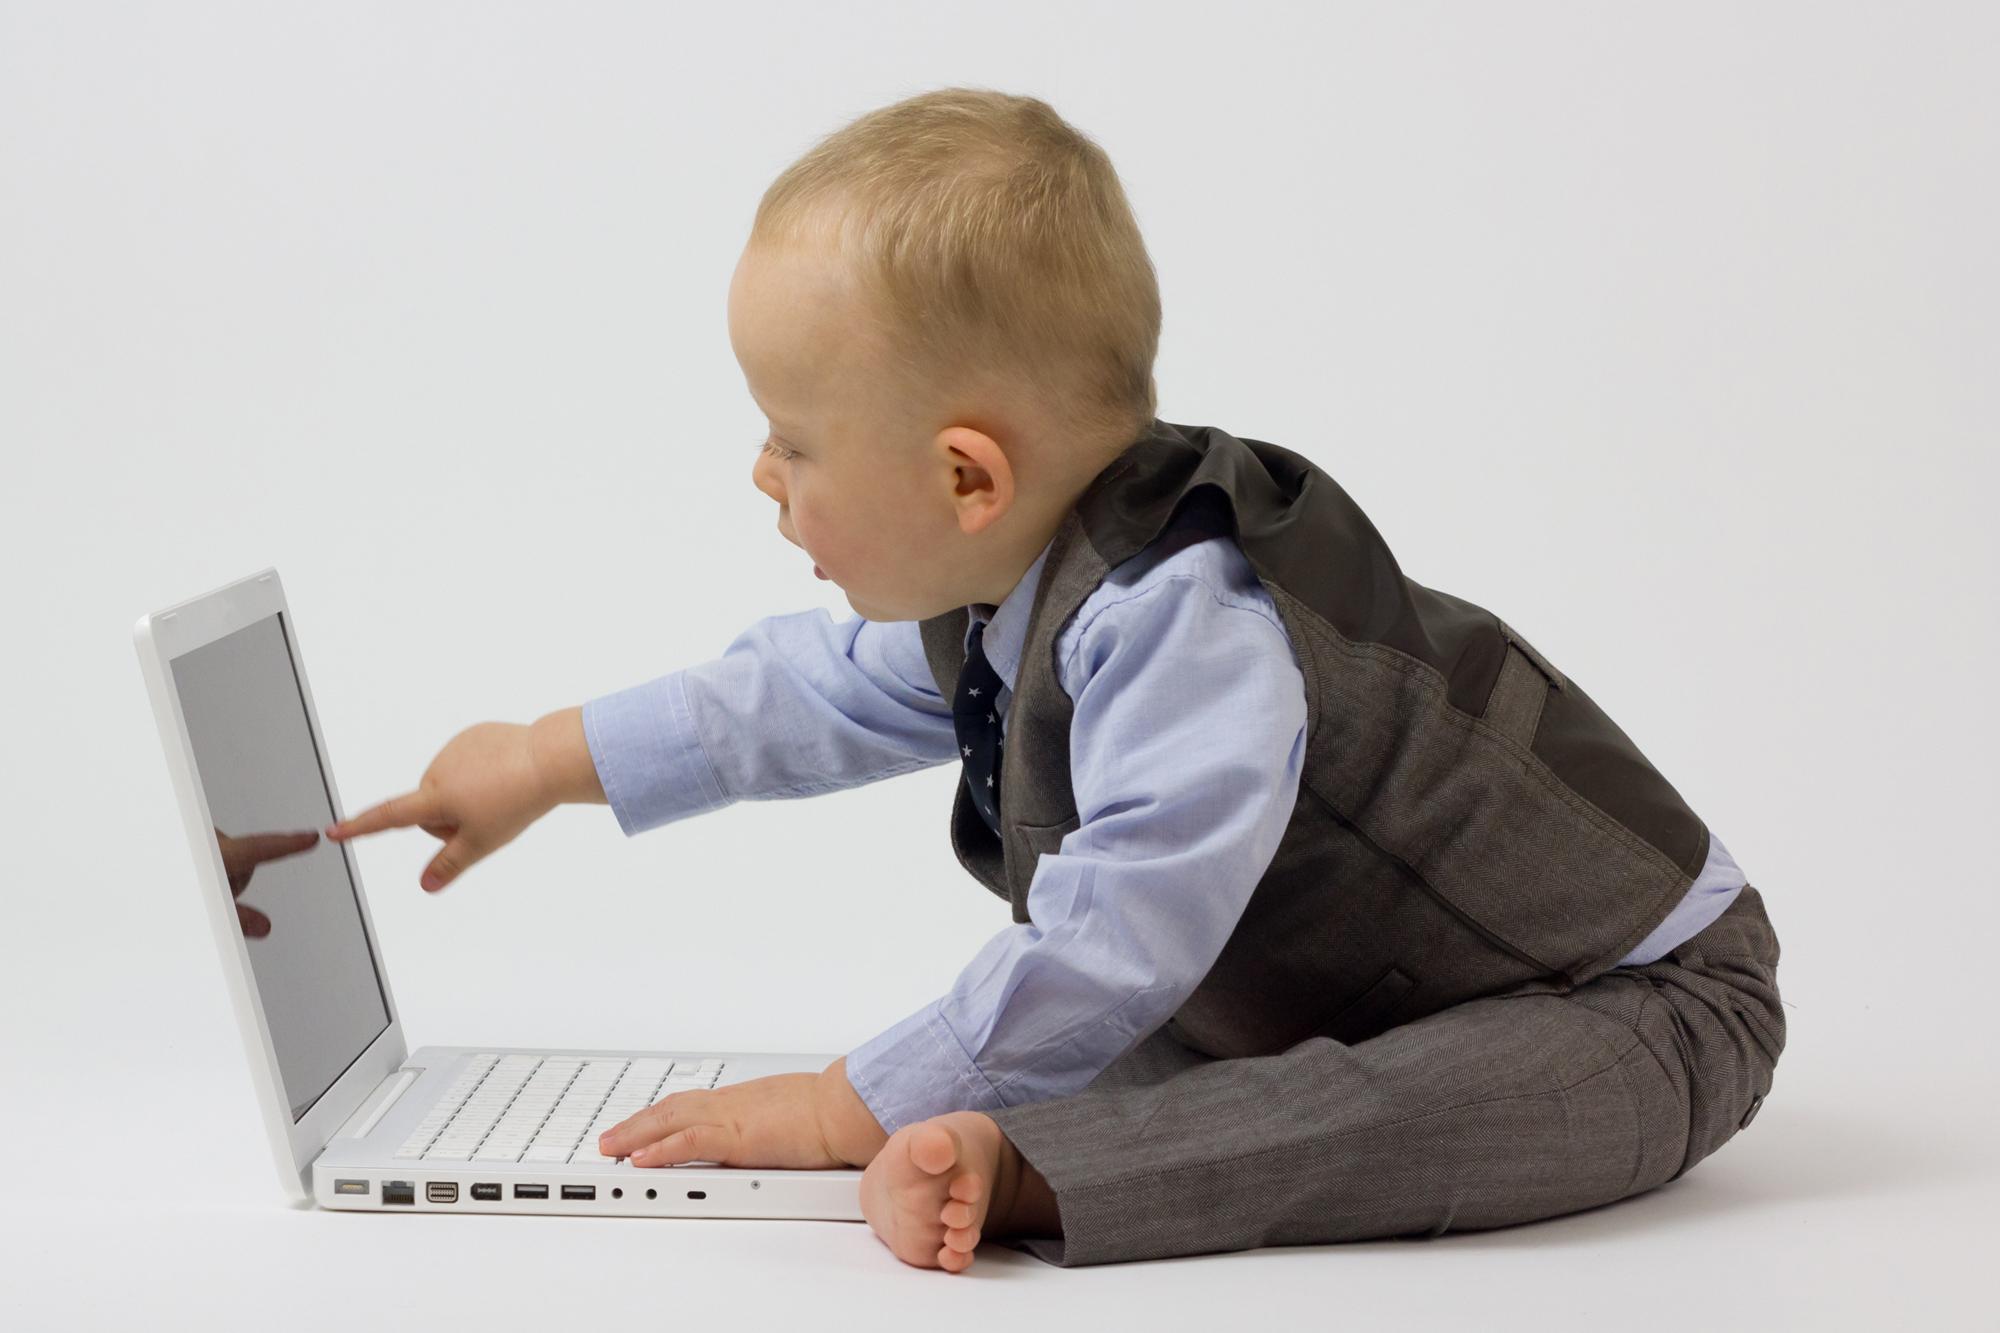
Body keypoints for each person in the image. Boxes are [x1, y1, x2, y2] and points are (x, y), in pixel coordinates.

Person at [327, 87, 1783, 1272]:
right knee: (1126, 1045)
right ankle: (1013, 1143)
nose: (761, 476)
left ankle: (1021, 1177)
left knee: (1345, 1117)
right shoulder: (1009, 585)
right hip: (1352, 987)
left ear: (966, 475)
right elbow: (811, 693)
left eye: (796, 441)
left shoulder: (1189, 622)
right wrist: (539, 757)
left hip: (1635, 1004)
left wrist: (846, 1106)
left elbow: (1122, 927)